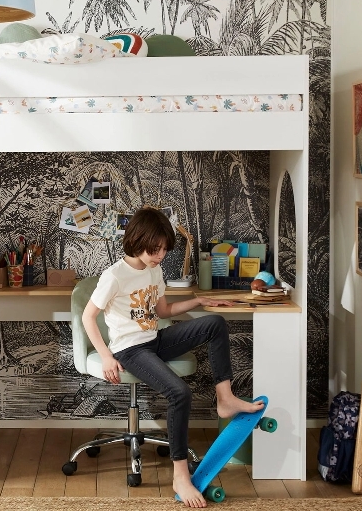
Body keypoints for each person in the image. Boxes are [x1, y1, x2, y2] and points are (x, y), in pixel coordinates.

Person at [81, 207, 264, 508]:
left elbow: (163, 311)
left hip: (154, 340)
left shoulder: (154, 269)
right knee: (179, 392)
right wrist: (106, 357)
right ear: (137, 240)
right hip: (130, 349)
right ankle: (180, 475)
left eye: (165, 249)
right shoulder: (114, 276)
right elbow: (88, 317)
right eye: (155, 249)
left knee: (214, 323)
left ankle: (226, 399)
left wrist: (200, 301)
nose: (161, 255)